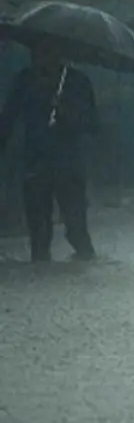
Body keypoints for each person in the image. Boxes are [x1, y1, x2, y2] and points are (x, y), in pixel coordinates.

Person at [0, 41, 98, 261]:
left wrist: (66, 111)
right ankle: (41, 267)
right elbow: (8, 118)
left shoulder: (77, 82)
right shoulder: (24, 80)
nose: (41, 57)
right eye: (37, 52)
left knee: (76, 227)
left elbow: (92, 123)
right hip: (35, 159)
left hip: (68, 161)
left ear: (59, 53)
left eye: (47, 51)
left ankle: (84, 264)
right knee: (38, 229)